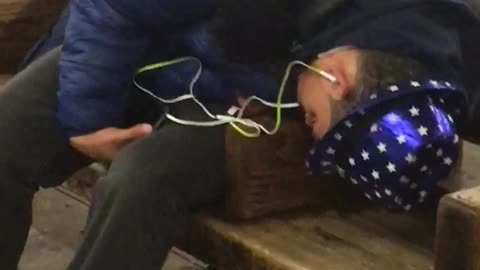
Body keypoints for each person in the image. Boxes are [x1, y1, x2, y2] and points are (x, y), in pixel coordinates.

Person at [1, 0, 479, 269]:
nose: (315, 137)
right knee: (8, 133)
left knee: (140, 180)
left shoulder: (426, 53)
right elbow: (117, 8)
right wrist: (88, 115)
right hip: (152, 39)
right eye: (316, 122)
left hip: (241, 101)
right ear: (337, 76)